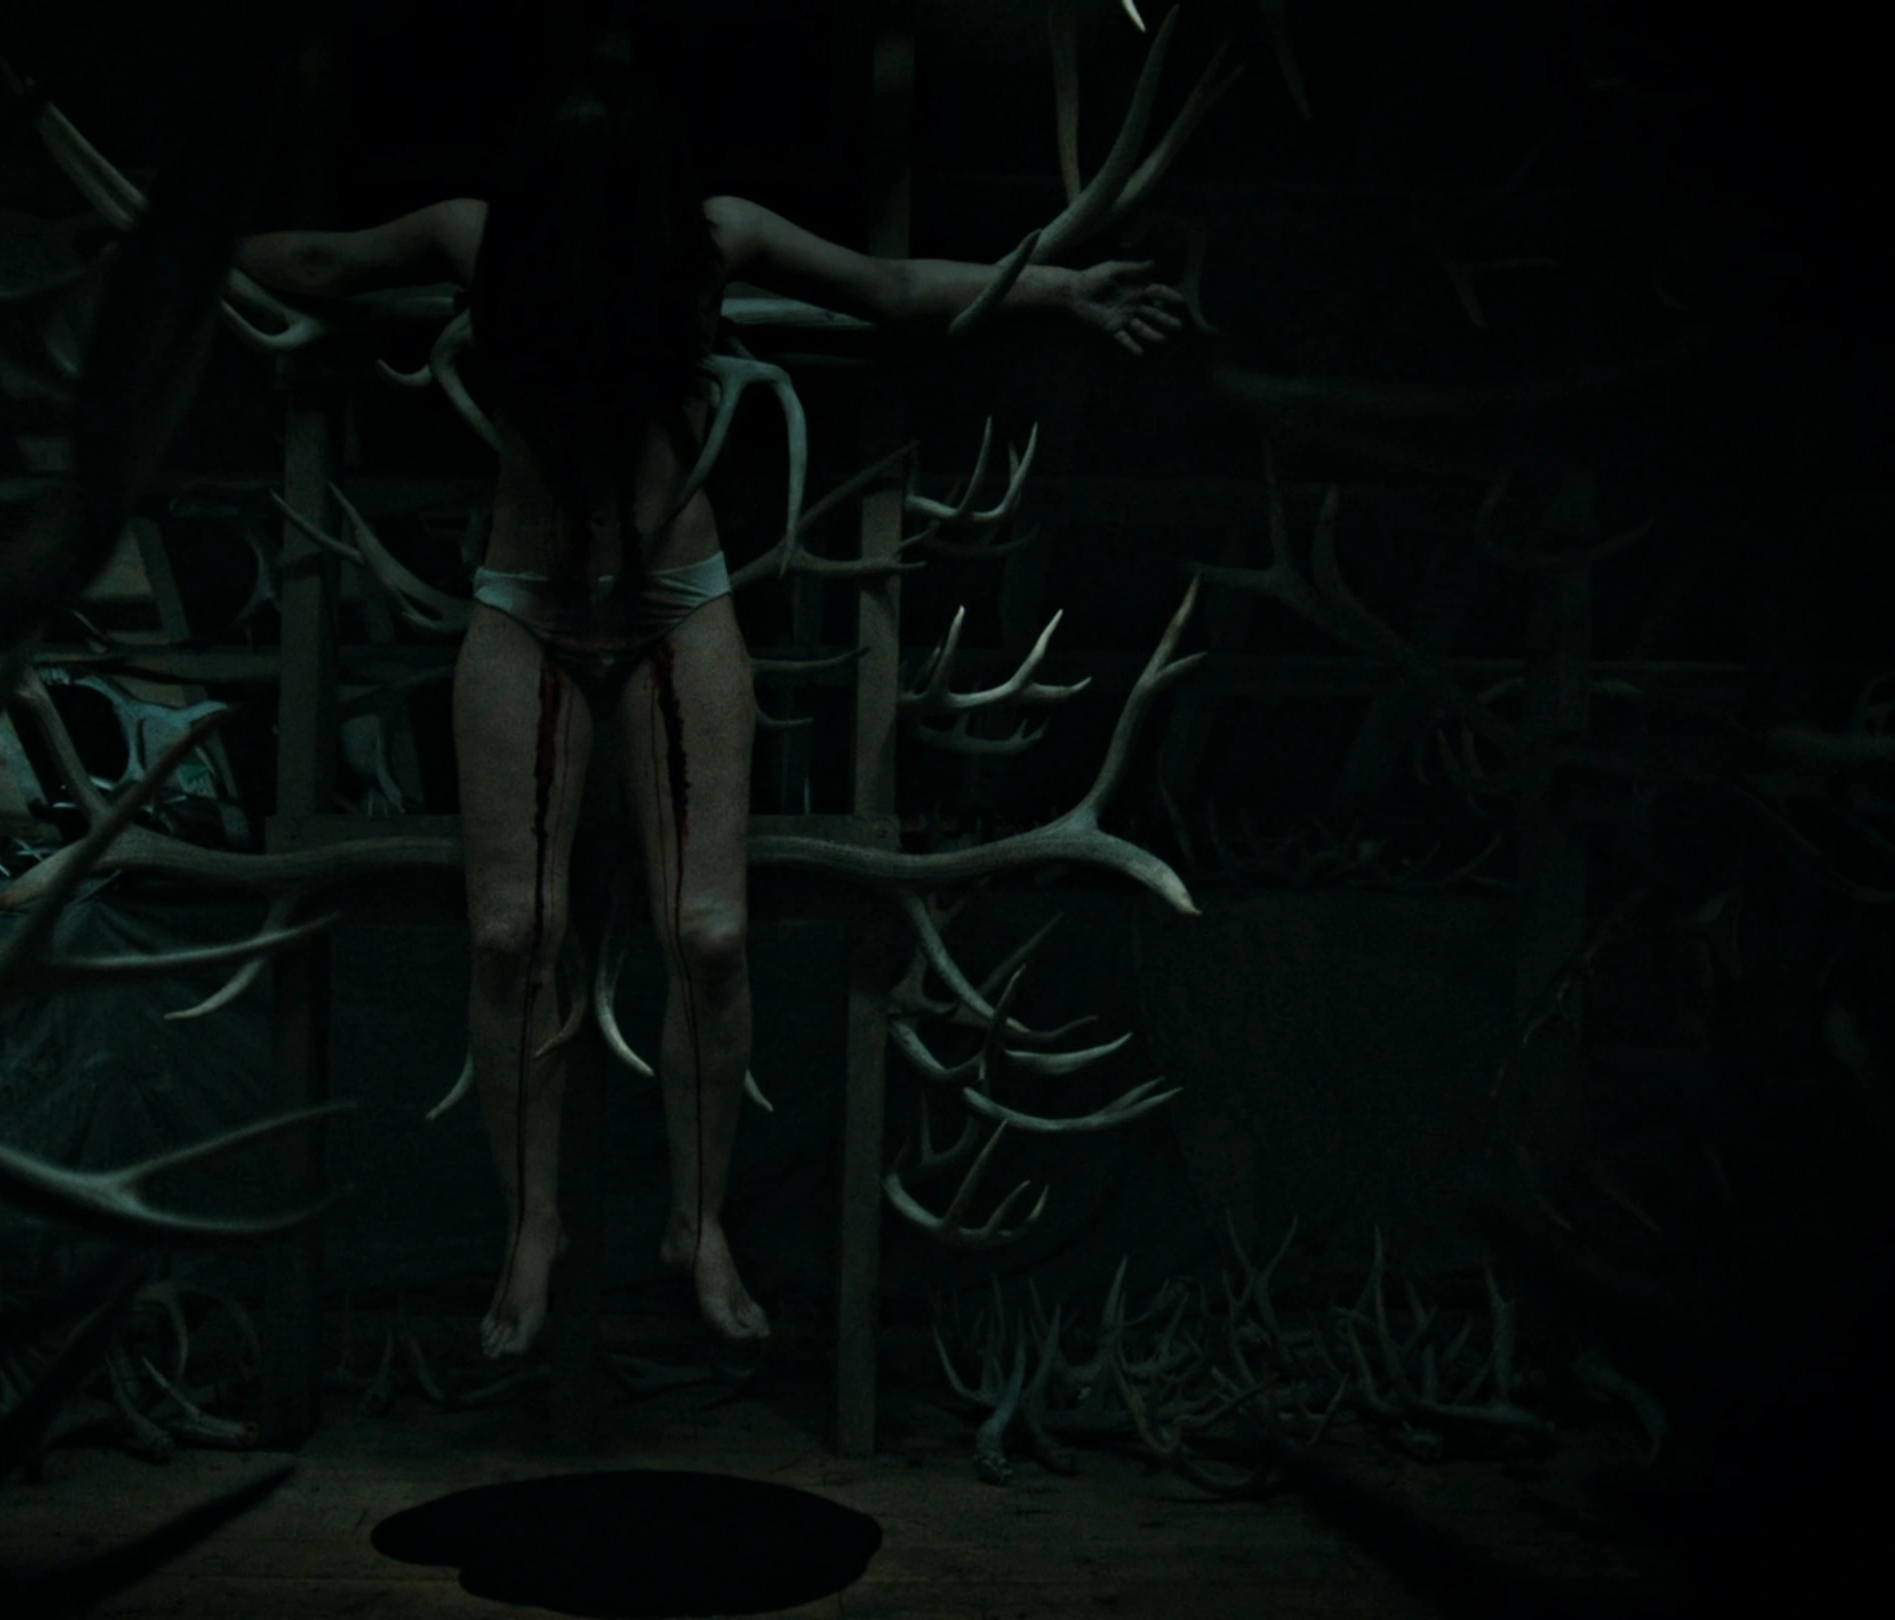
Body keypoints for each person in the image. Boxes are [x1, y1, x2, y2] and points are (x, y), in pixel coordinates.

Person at [233, 60, 1185, 1360]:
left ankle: (699, 1224)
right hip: (525, 609)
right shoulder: (476, 239)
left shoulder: (713, 238)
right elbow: (312, 261)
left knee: (712, 934)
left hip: (679, 606)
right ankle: (532, 1225)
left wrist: (1063, 290)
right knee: (512, 933)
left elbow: (890, 288)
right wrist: (157, 249)